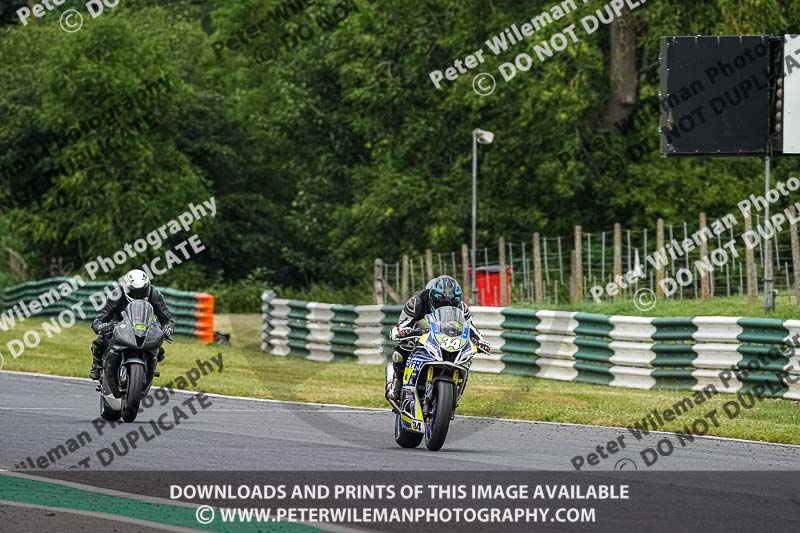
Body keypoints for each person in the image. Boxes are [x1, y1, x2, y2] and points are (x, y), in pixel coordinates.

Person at [386, 275, 490, 401]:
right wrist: (403, 331)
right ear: (432, 296)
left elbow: (471, 328)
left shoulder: (462, 307)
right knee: (402, 349)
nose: (446, 304)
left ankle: (453, 391)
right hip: (419, 331)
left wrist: (481, 341)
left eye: (451, 302)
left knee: (466, 355)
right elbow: (403, 323)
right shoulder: (417, 301)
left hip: (444, 336)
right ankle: (398, 381)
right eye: (441, 301)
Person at [89, 269, 175, 380]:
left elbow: (167, 319)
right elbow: (100, 318)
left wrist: (168, 328)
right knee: (101, 341)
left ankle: (148, 370)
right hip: (119, 325)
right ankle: (97, 365)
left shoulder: (154, 294)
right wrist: (101, 326)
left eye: (142, 291)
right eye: (135, 292)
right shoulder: (116, 295)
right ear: (126, 288)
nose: (138, 295)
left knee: (160, 351)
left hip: (145, 326)